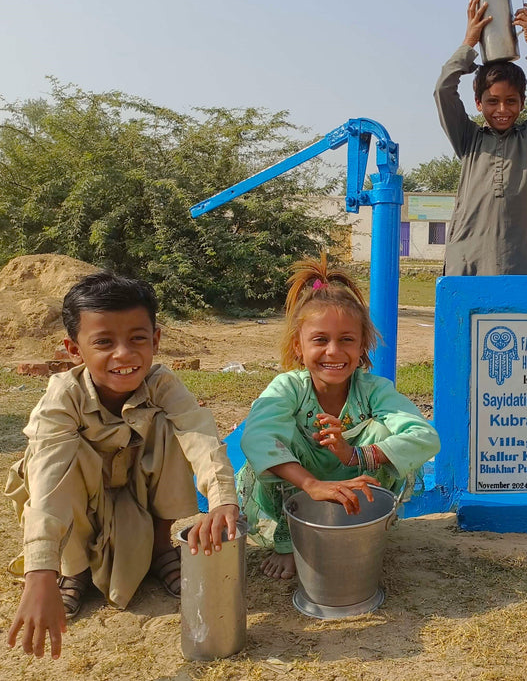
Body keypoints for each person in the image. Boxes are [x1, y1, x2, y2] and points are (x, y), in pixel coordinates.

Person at [5, 273, 239, 659]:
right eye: (103, 342)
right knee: (62, 455)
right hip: (80, 501)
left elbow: (200, 436)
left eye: (137, 339)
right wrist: (39, 571)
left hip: (132, 494)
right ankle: (72, 568)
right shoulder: (64, 396)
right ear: (73, 349)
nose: (124, 355)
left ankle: (161, 549)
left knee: (171, 427)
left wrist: (223, 500)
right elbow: (48, 481)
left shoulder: (162, 384)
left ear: (156, 340)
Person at [237, 254, 440, 580]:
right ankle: (289, 539)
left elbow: (424, 436)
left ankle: (363, 524)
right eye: (320, 340)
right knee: (274, 437)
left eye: (346, 340)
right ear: (298, 346)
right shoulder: (288, 388)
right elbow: (256, 437)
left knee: (381, 429)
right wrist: (312, 485)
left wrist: (356, 453)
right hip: (302, 484)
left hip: (359, 486)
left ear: (362, 346)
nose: (333, 351)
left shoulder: (374, 390)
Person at [434, 0, 527, 276]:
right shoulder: (468, 139)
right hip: (465, 262)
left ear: (522, 102)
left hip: (514, 264)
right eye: (493, 102)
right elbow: (443, 90)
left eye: (511, 101)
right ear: (478, 103)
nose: (503, 110)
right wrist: (469, 42)